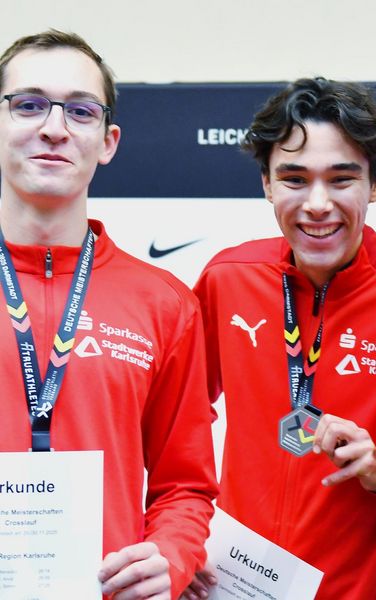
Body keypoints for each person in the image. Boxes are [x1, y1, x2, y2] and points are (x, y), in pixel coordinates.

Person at [185, 77, 376, 599]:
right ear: (267, 184)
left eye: (342, 179)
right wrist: (182, 534)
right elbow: (177, 422)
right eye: (295, 179)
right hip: (236, 586)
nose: (318, 203)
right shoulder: (228, 277)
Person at [0, 30, 218, 599]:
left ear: (107, 141)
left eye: (80, 111)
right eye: (29, 104)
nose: (54, 128)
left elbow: (185, 486)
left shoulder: (164, 302)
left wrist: (171, 555)